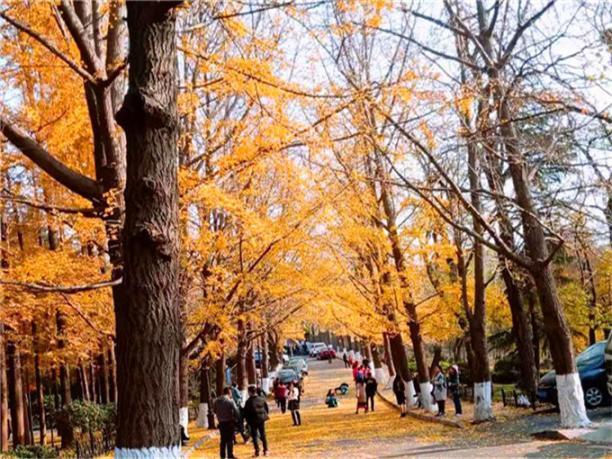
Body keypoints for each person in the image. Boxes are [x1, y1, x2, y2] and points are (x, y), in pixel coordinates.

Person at [214, 387, 241, 459]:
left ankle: (222, 456)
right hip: (229, 422)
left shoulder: (216, 401)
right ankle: (230, 455)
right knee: (230, 439)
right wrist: (238, 419)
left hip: (221, 423)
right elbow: (236, 411)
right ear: (229, 393)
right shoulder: (230, 401)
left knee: (223, 440)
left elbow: (214, 410)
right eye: (231, 393)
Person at [243, 385, 270, 457]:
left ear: (250, 392)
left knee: (254, 436)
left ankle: (257, 451)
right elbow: (266, 408)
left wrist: (247, 421)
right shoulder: (261, 399)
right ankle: (266, 450)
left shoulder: (248, 401)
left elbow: (246, 412)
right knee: (263, 435)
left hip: (253, 421)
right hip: (261, 419)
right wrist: (264, 416)